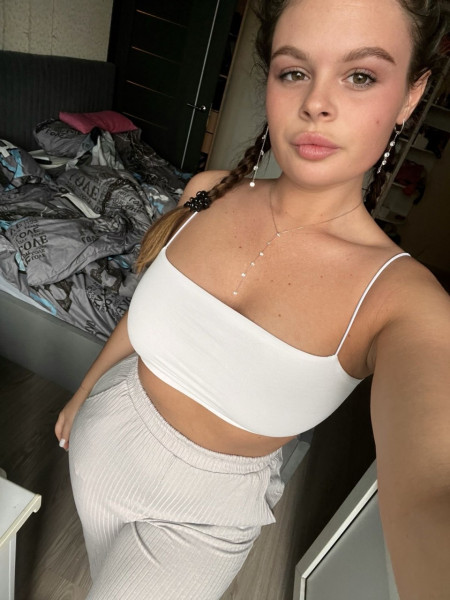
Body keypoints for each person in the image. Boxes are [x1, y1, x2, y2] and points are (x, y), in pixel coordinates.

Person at [55, 0, 450, 598]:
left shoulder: (403, 300)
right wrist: (85, 389)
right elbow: (151, 312)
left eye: (360, 75)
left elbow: (430, 493)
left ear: (410, 96)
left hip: (202, 519)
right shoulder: (208, 191)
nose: (316, 102)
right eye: (295, 71)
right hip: (102, 436)